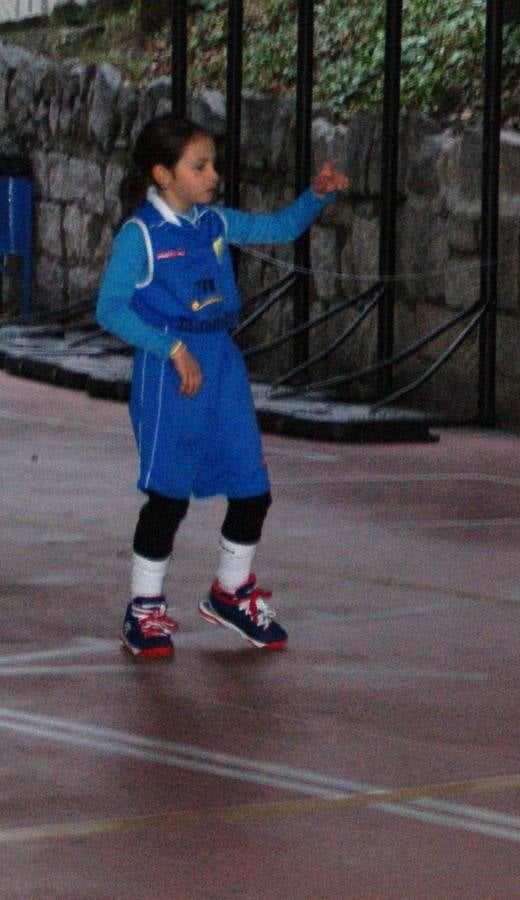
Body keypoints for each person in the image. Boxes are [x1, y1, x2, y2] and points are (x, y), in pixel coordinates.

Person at [98, 113, 347, 658]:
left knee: (252, 486)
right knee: (168, 497)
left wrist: (316, 197)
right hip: (171, 367)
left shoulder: (212, 223)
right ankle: (143, 608)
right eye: (200, 166)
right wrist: (172, 348)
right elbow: (109, 309)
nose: (212, 176)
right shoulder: (140, 235)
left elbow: (278, 228)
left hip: (221, 362)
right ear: (162, 174)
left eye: (213, 164)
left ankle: (231, 592)